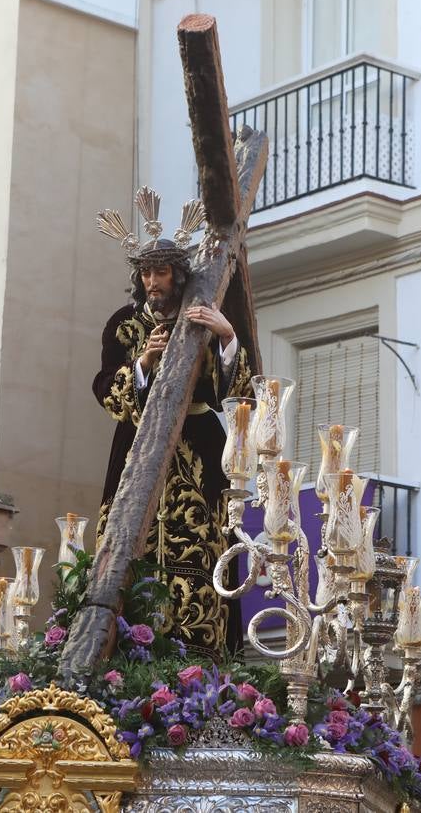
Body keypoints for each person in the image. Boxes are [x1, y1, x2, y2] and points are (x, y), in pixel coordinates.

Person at [93, 193, 252, 660]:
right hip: (136, 448)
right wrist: (142, 363)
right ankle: (124, 649)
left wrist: (226, 336)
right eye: (146, 273)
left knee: (206, 545)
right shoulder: (123, 326)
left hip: (200, 447)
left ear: (177, 275)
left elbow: (237, 395)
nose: (152, 281)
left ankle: (204, 649)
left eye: (161, 272)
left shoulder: (206, 317)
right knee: (127, 554)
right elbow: (106, 389)